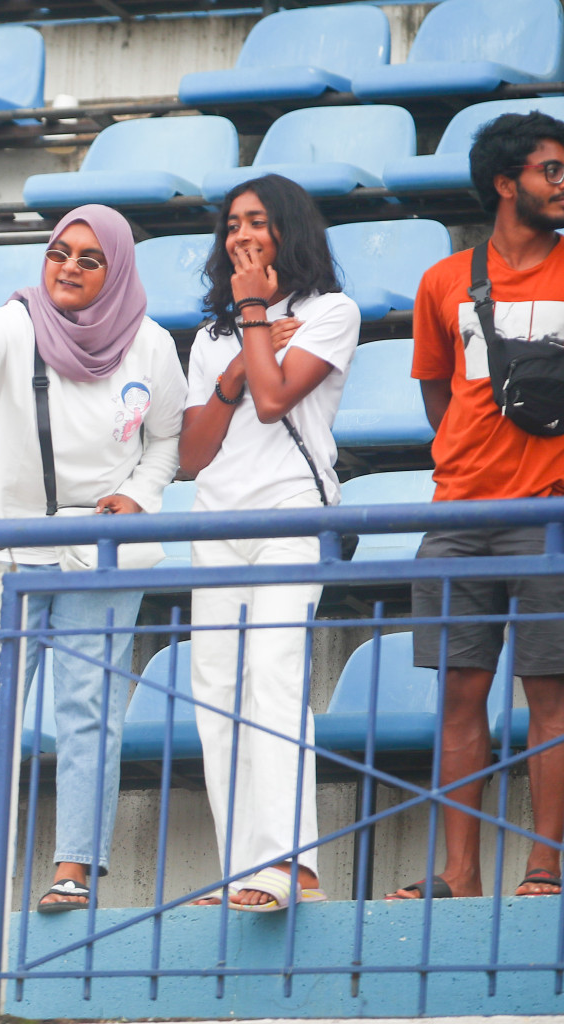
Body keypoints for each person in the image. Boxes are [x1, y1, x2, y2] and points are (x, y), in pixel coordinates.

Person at [0, 205, 186, 912]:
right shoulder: (18, 323)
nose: (68, 268)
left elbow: (167, 438)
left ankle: (73, 870)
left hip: (101, 549)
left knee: (87, 711)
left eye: (88, 258)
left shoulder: (152, 346)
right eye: (58, 253)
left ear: (117, 270)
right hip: (9, 547)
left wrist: (139, 494)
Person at [390, 110, 564, 902]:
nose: (563, 185)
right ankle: (459, 875)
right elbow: (439, 396)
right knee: (459, 697)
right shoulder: (443, 281)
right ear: (506, 183)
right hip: (457, 518)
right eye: (550, 171)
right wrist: (477, 460)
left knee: (550, 697)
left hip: (550, 516)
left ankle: (542, 870)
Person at [177, 173, 361, 911]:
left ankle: (293, 866)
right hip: (218, 518)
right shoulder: (212, 334)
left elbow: (277, 398)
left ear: (288, 229)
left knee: (276, 677)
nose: (242, 235)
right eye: (231, 225)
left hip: (290, 512)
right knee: (215, 690)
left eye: (257, 221)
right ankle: (242, 867)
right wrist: (233, 358)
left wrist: (254, 308)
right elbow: (193, 456)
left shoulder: (330, 312)